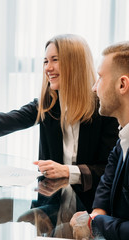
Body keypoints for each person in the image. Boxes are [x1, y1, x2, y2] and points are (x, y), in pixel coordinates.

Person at [0, 34, 119, 237]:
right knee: (1, 210)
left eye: (54, 60)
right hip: (50, 209)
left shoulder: (105, 109)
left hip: (93, 213)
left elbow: (109, 170)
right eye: (45, 61)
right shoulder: (49, 104)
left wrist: (68, 171)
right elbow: (7, 120)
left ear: (75, 63)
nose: (47, 68)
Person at [70, 42, 129, 240]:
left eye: (100, 78)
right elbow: (108, 180)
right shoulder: (123, 137)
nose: (94, 88)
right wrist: (97, 215)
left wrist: (94, 223)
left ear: (122, 85)